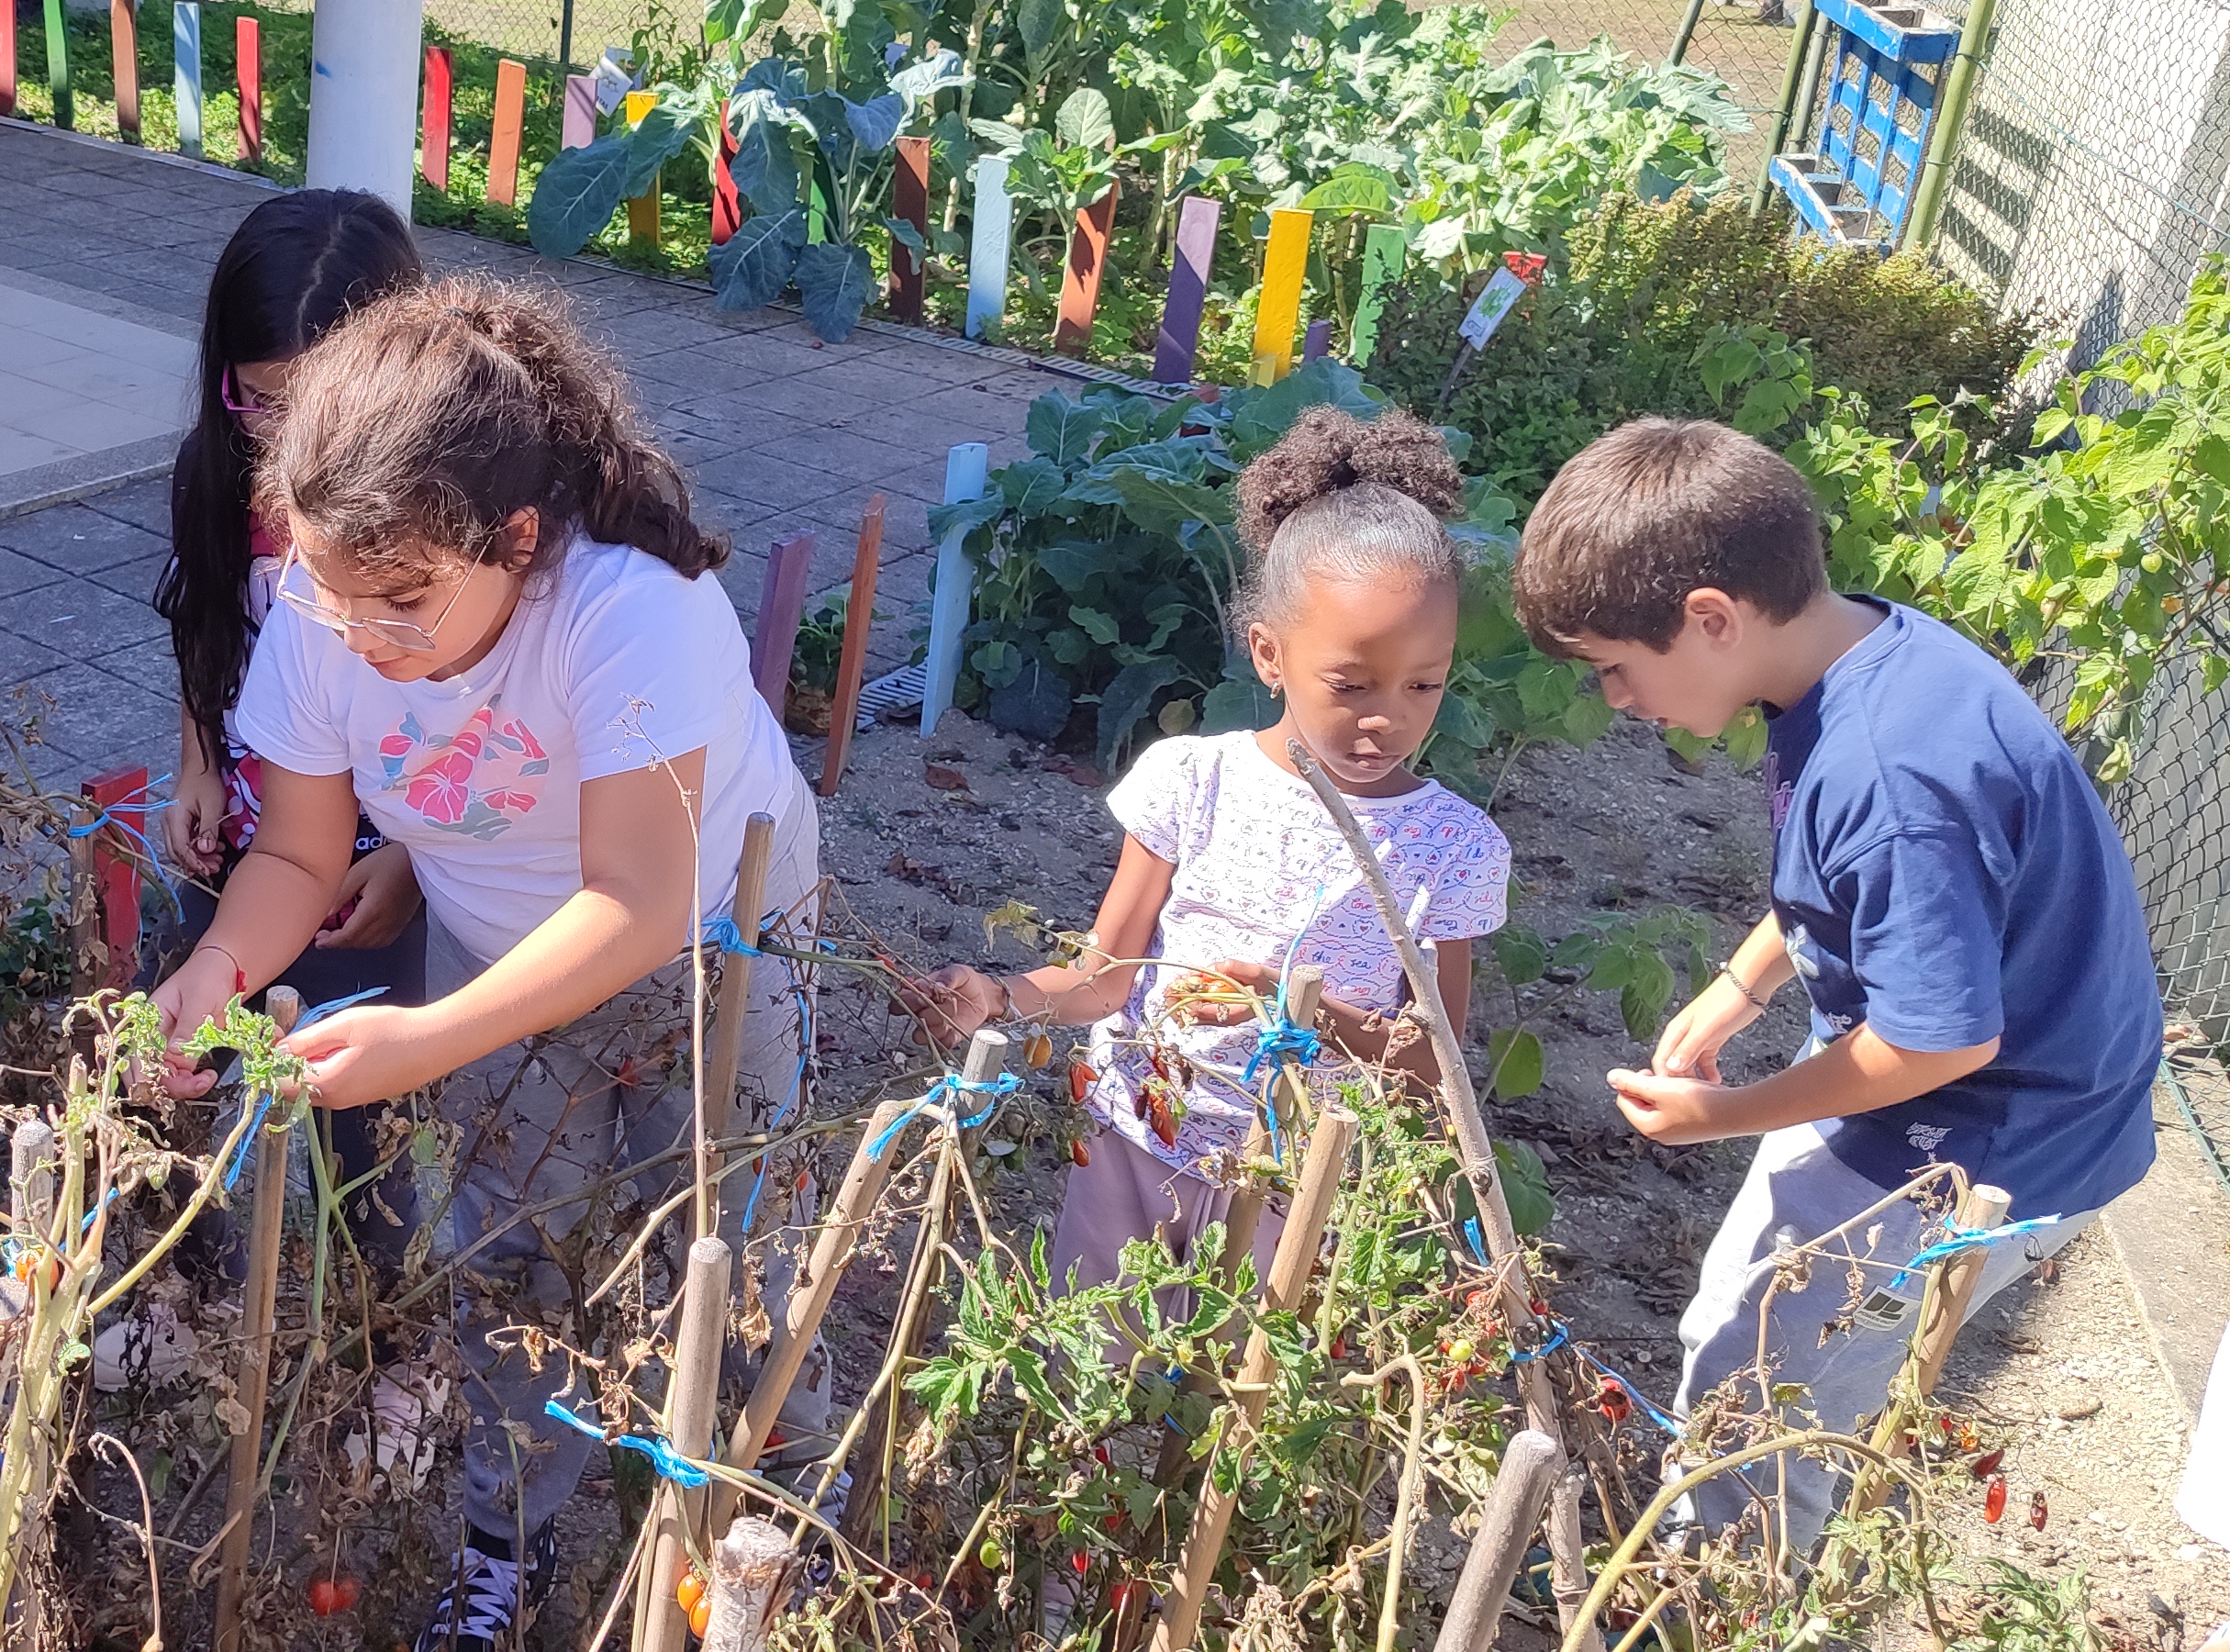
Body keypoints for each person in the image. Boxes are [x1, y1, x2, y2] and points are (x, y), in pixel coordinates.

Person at [139, 275, 818, 1652]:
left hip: (713, 952)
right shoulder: (330, 619)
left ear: (516, 538)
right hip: (499, 951)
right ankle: (508, 1535)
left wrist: (427, 1038)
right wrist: (215, 969)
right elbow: (293, 857)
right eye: (336, 601)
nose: (364, 641)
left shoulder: (633, 609)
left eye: (402, 602)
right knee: (513, 1262)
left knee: (733, 1244)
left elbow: (634, 902)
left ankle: (770, 1525)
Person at [1512, 416, 2157, 1551]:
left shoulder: (1888, 778)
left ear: (1710, 618)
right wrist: (1743, 981)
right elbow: (1858, 894)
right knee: (1749, 1317)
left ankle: (1717, 1605)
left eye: (1616, 665)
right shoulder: (1871, 654)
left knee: (1761, 1386)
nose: (1614, 697)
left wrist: (1729, 1115)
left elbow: (1935, 1041)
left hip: (1983, 1133)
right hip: (2016, 1091)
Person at [904, 407, 1511, 1298]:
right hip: (1134, 1140)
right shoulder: (1193, 780)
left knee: (1241, 1406)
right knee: (1094, 1368)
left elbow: (1436, 1069)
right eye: (1350, 685)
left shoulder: (1449, 848)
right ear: (1268, 653)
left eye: (1425, 683)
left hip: (1294, 1188)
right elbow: (1105, 977)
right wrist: (1000, 998)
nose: (1388, 717)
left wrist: (1295, 1010)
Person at [150, 188, 429, 1260]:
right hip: (254, 821)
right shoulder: (212, 478)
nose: (287, 445)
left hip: (383, 845)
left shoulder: (437, 524)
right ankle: (169, 1278)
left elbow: (486, 732)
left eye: (320, 410)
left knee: (363, 1100)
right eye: (262, 403)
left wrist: (412, 850)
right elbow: (201, 620)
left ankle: (375, 1318)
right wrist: (198, 767)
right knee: (174, 1040)